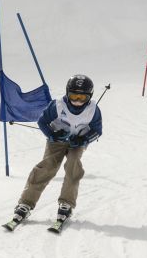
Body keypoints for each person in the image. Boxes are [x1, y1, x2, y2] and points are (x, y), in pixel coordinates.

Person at [11, 74, 103, 226]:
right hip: (57, 140)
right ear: (67, 93)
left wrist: (84, 139)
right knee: (47, 166)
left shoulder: (93, 110)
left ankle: (66, 203)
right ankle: (25, 203)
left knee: (73, 166)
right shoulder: (58, 106)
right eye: (74, 96)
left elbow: (97, 130)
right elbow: (42, 121)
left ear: (89, 97)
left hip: (77, 142)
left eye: (82, 98)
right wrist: (52, 134)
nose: (77, 101)